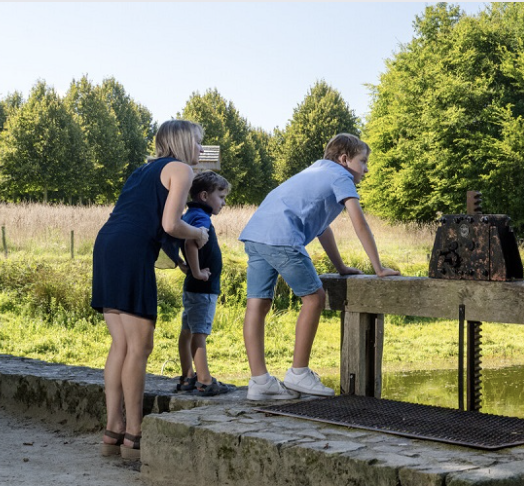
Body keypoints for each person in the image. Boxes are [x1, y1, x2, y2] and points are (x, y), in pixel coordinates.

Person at [239, 133, 400, 401]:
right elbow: (359, 223)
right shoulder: (340, 176)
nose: (366, 168)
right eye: (363, 161)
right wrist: (379, 268)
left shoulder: (315, 172)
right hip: (282, 237)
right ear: (344, 159)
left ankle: (259, 381)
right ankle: (299, 373)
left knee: (258, 305)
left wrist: (341, 266)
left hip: (256, 234)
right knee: (314, 298)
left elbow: (322, 229)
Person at [92, 120, 210, 460]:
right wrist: (197, 236)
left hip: (107, 245)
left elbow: (143, 217)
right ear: (184, 142)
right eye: (199, 143)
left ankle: (112, 432)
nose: (202, 150)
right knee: (140, 345)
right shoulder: (181, 170)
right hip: (130, 250)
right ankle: (135, 434)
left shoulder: (144, 170)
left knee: (121, 345)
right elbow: (170, 224)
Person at [174, 171, 234, 397]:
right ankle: (205, 380)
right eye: (220, 196)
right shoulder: (201, 218)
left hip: (193, 287)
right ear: (204, 196)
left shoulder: (189, 215)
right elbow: (191, 242)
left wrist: (182, 264)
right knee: (199, 333)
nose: (223, 202)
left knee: (187, 331)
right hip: (203, 288)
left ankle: (188, 375)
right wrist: (198, 272)